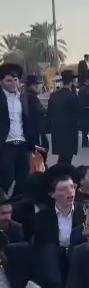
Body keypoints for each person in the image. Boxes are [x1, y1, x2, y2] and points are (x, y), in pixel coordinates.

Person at [0, 64, 35, 195]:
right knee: (7, 180)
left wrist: (32, 145)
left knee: (23, 180)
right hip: (5, 146)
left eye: (16, 80)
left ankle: (18, 205)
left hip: (22, 145)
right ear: (1, 82)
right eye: (9, 80)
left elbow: (28, 121)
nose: (13, 84)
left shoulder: (23, 97)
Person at [47, 70, 81, 165]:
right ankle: (61, 173)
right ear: (72, 82)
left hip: (56, 130)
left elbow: (49, 112)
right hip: (70, 131)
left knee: (62, 156)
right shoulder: (73, 96)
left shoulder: (54, 95)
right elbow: (78, 113)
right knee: (67, 158)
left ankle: (60, 171)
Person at [24, 75, 49, 153]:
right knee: (40, 152)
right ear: (31, 85)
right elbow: (39, 110)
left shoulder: (25, 95)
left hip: (29, 130)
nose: (38, 87)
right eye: (35, 85)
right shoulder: (32, 97)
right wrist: (45, 110)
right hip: (35, 131)